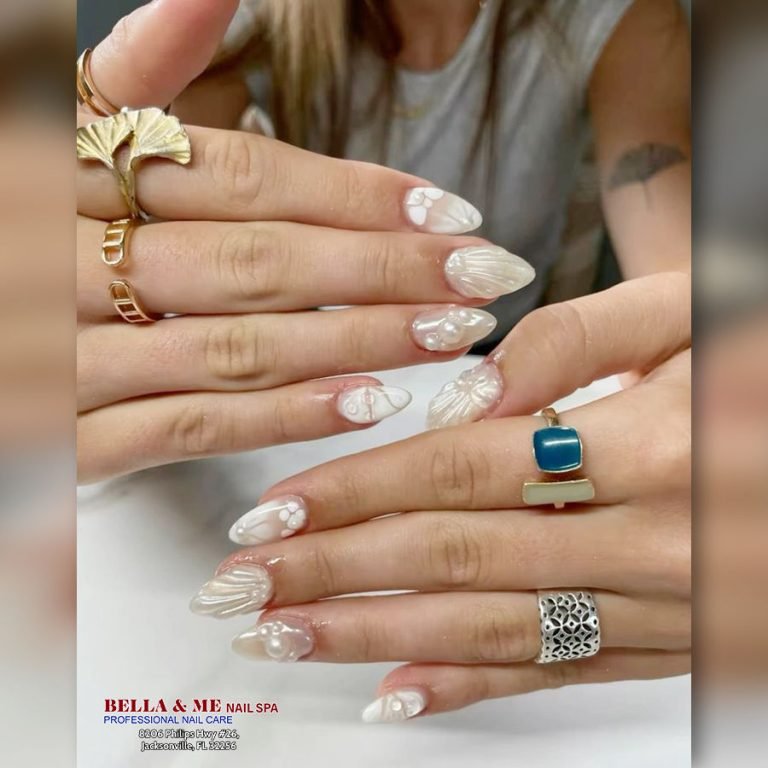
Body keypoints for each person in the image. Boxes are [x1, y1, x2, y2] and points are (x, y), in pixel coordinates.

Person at [77, 0, 690, 720]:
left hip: (510, 411)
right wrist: (99, 256)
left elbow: (672, 289)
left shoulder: (608, 18)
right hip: (285, 430)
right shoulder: (242, 22)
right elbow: (183, 267)